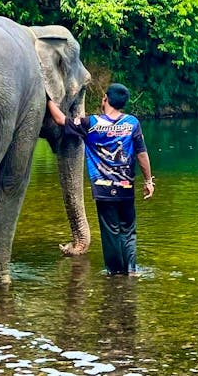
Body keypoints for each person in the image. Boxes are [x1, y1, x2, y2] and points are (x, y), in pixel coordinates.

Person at [47, 83, 154, 275]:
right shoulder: (132, 123)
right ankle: (131, 270)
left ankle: (114, 273)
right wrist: (148, 182)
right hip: (126, 188)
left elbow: (60, 119)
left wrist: (47, 99)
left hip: (104, 191)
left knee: (111, 233)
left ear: (105, 99)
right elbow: (142, 154)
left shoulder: (92, 123)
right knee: (128, 232)